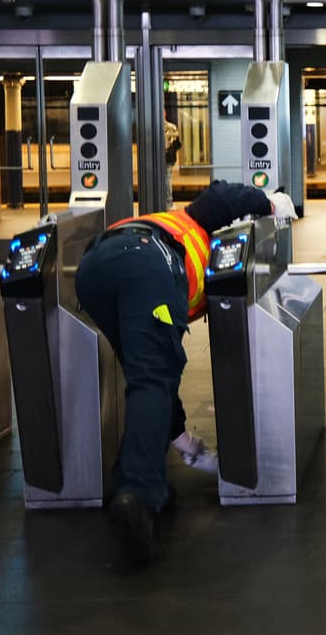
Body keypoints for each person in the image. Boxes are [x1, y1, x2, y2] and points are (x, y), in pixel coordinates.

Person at [75, 180, 294, 564]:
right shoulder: (194, 224)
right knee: (153, 377)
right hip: (148, 262)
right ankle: (138, 495)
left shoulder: (166, 222)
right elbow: (221, 195)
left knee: (146, 372)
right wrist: (272, 204)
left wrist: (185, 442)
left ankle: (144, 482)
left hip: (94, 268)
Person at [163, 119, 181, 211]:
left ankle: (162, 202)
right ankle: (168, 203)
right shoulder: (172, 127)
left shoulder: (153, 126)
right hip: (168, 159)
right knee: (167, 180)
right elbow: (178, 144)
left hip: (155, 158)